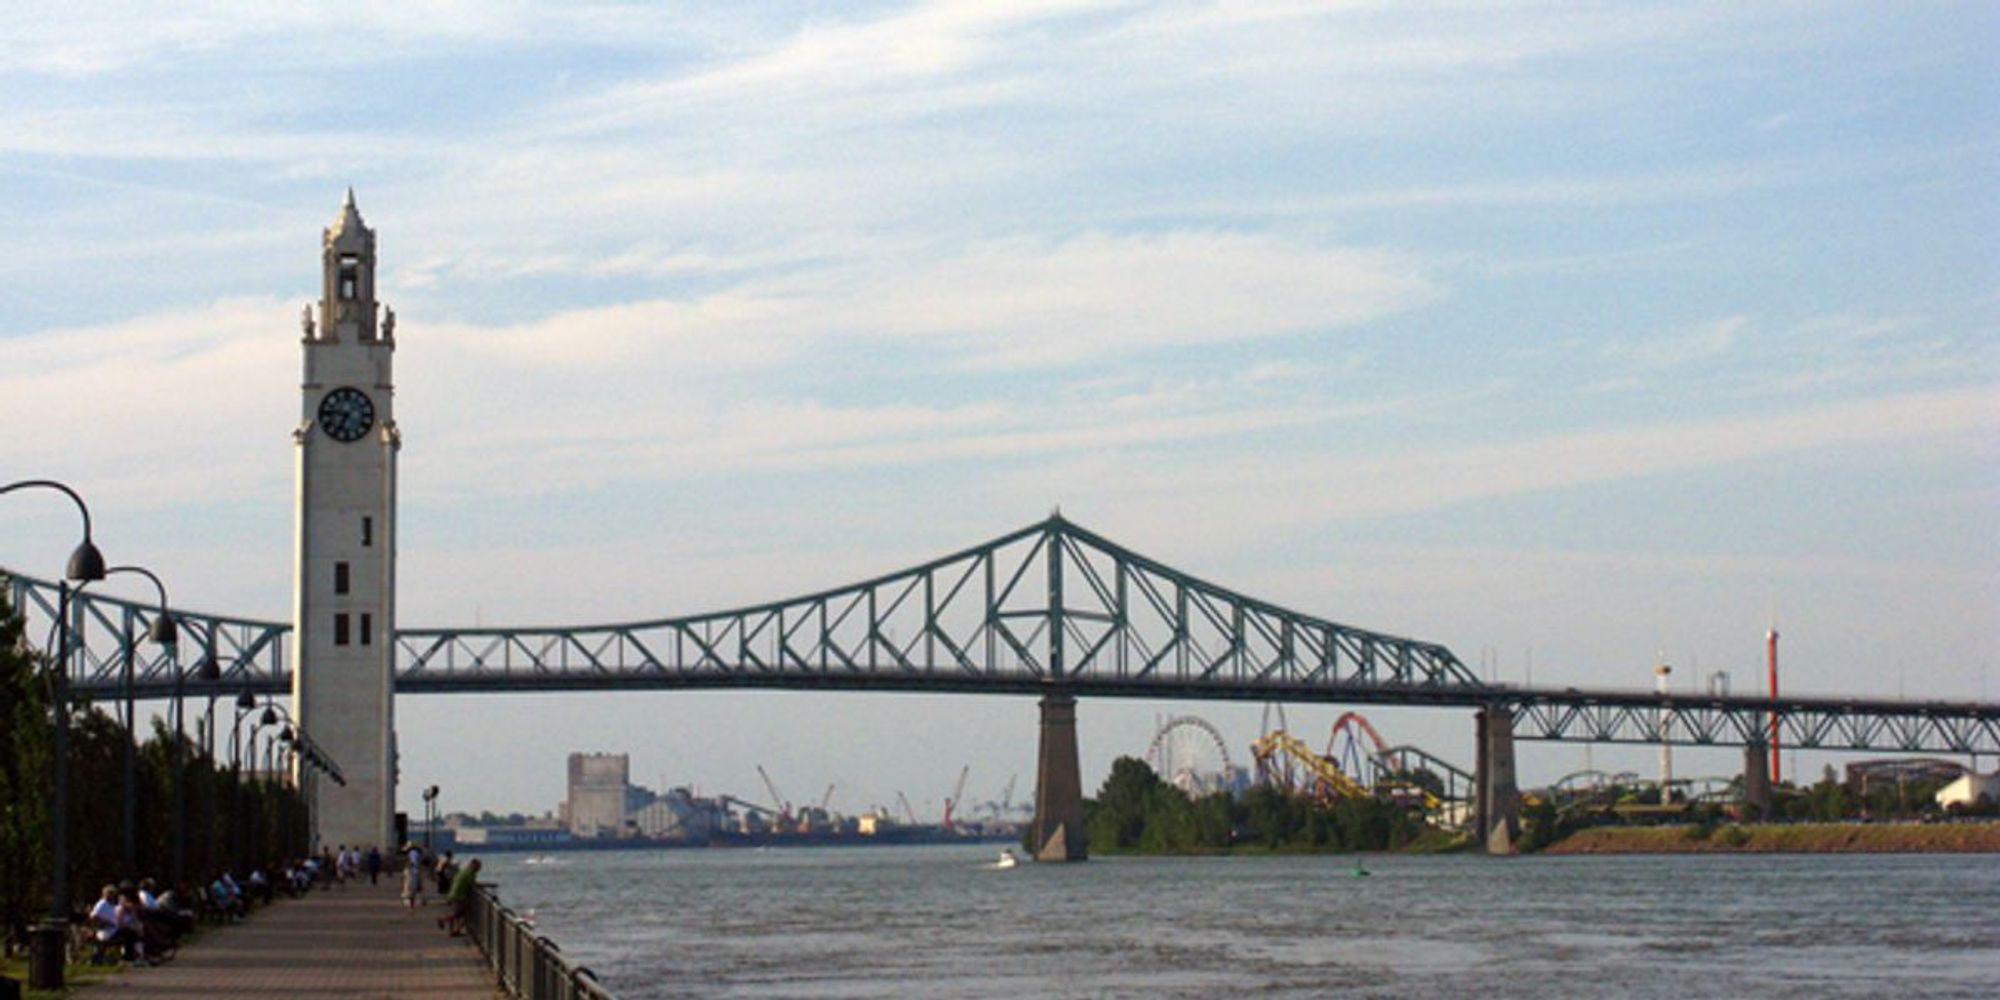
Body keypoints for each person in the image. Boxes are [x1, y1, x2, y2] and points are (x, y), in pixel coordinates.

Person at [437, 858, 481, 937]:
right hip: (459, 895)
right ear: (474, 865)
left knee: (459, 914)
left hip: (453, 894)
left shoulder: (464, 871)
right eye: (478, 867)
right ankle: (442, 919)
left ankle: (455, 931)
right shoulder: (469, 873)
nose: (479, 869)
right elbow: (472, 884)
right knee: (462, 914)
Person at [402, 842, 424, 909]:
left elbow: (412, 862)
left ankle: (411, 903)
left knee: (411, 887)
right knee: (413, 887)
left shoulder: (413, 853)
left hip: (412, 871)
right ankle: (412, 903)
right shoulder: (414, 853)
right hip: (413, 872)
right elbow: (413, 862)